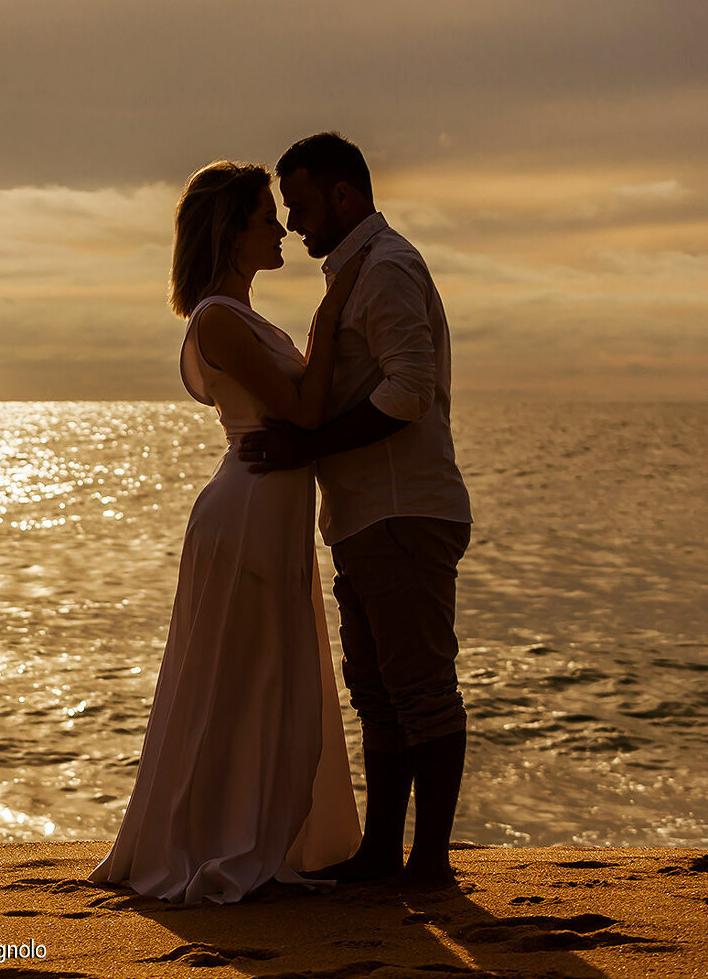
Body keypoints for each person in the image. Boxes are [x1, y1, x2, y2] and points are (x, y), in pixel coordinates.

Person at [89, 160, 363, 904]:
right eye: (263, 218)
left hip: (270, 509)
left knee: (267, 674)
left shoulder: (243, 317)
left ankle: (265, 833)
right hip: (246, 510)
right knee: (245, 678)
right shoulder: (217, 316)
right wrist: (331, 316)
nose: (277, 229)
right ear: (230, 231)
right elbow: (302, 412)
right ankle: (227, 841)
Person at [240, 132, 473, 891]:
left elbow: (407, 391)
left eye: (302, 207)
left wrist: (311, 448)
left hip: (403, 510)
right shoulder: (357, 272)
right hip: (367, 514)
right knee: (378, 691)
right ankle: (382, 851)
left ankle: (428, 860)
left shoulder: (389, 268)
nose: (295, 225)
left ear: (344, 195)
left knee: (420, 688)